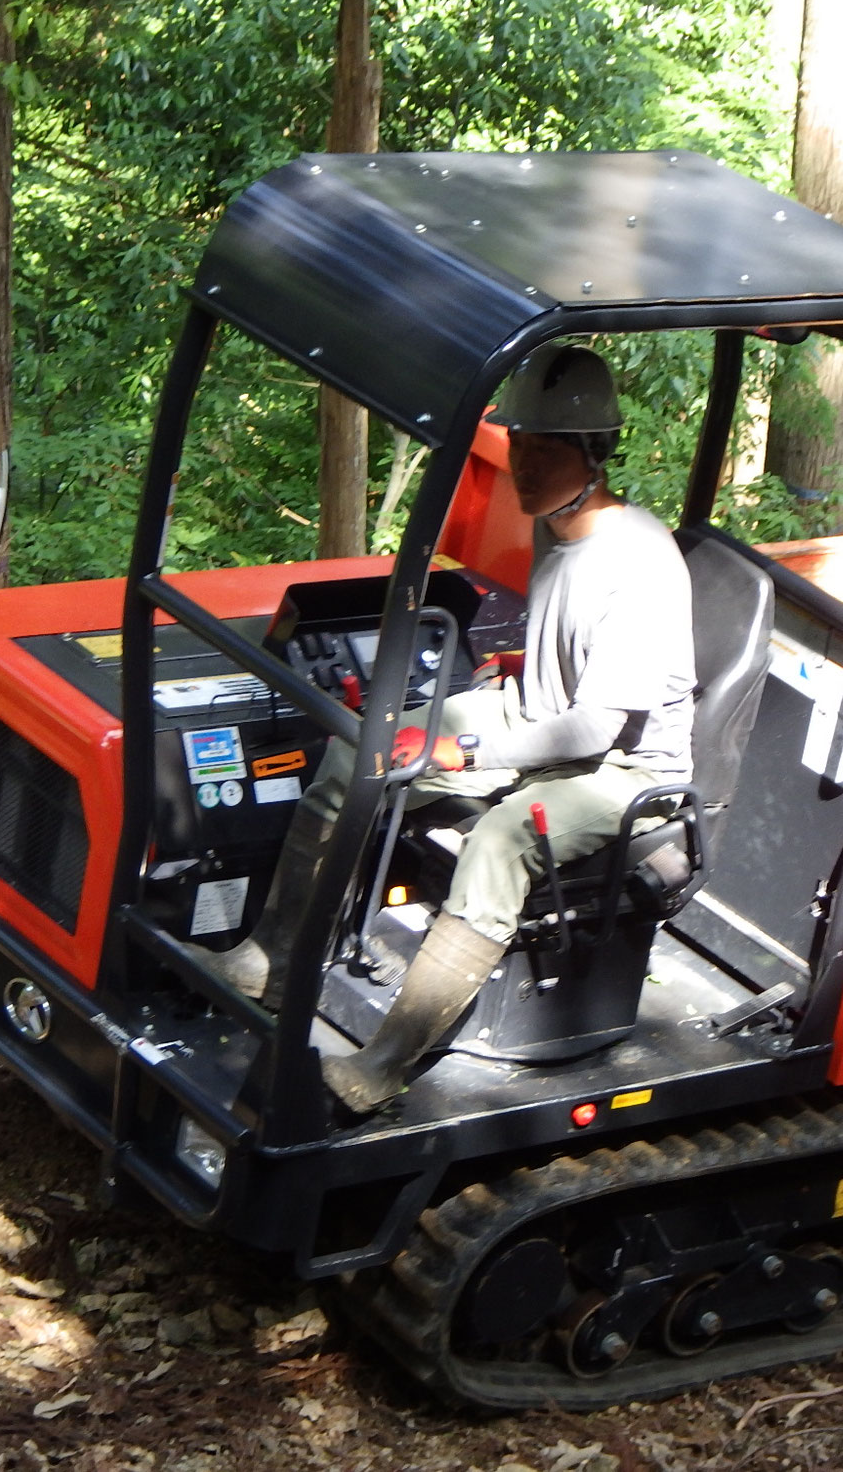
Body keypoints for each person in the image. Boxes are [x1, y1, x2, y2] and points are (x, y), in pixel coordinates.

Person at [200, 342, 696, 1114]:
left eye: (542, 451)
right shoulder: (555, 527)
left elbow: (595, 728)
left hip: (624, 771)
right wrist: (477, 711)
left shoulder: (640, 563)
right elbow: (558, 673)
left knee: (501, 840)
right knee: (363, 746)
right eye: (518, 447)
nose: (522, 468)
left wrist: (464, 747)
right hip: (538, 715)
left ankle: (382, 1066)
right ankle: (274, 956)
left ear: (593, 454)